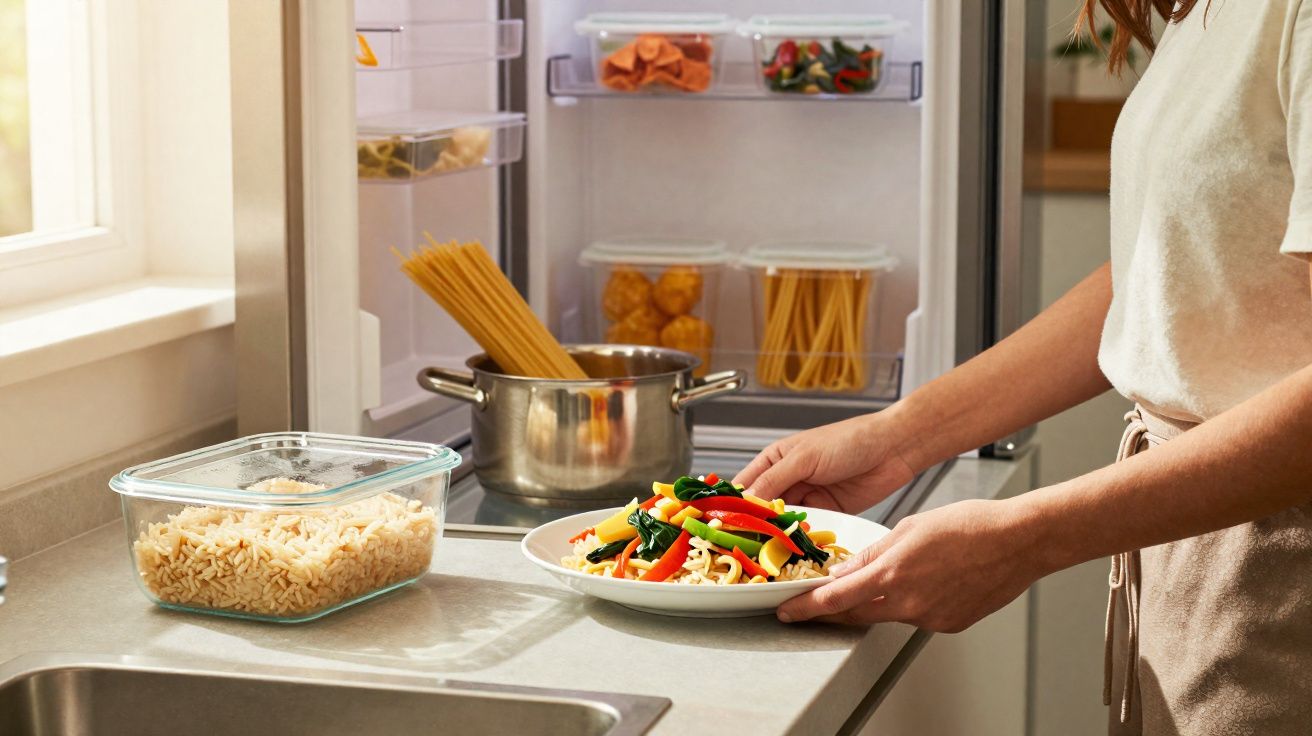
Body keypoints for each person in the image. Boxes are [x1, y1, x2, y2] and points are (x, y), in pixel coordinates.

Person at [733, 1, 1312, 733]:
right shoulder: (1207, 15)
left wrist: (1026, 539)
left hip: (1277, 564)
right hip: (1191, 540)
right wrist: (900, 437)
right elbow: (1170, 275)